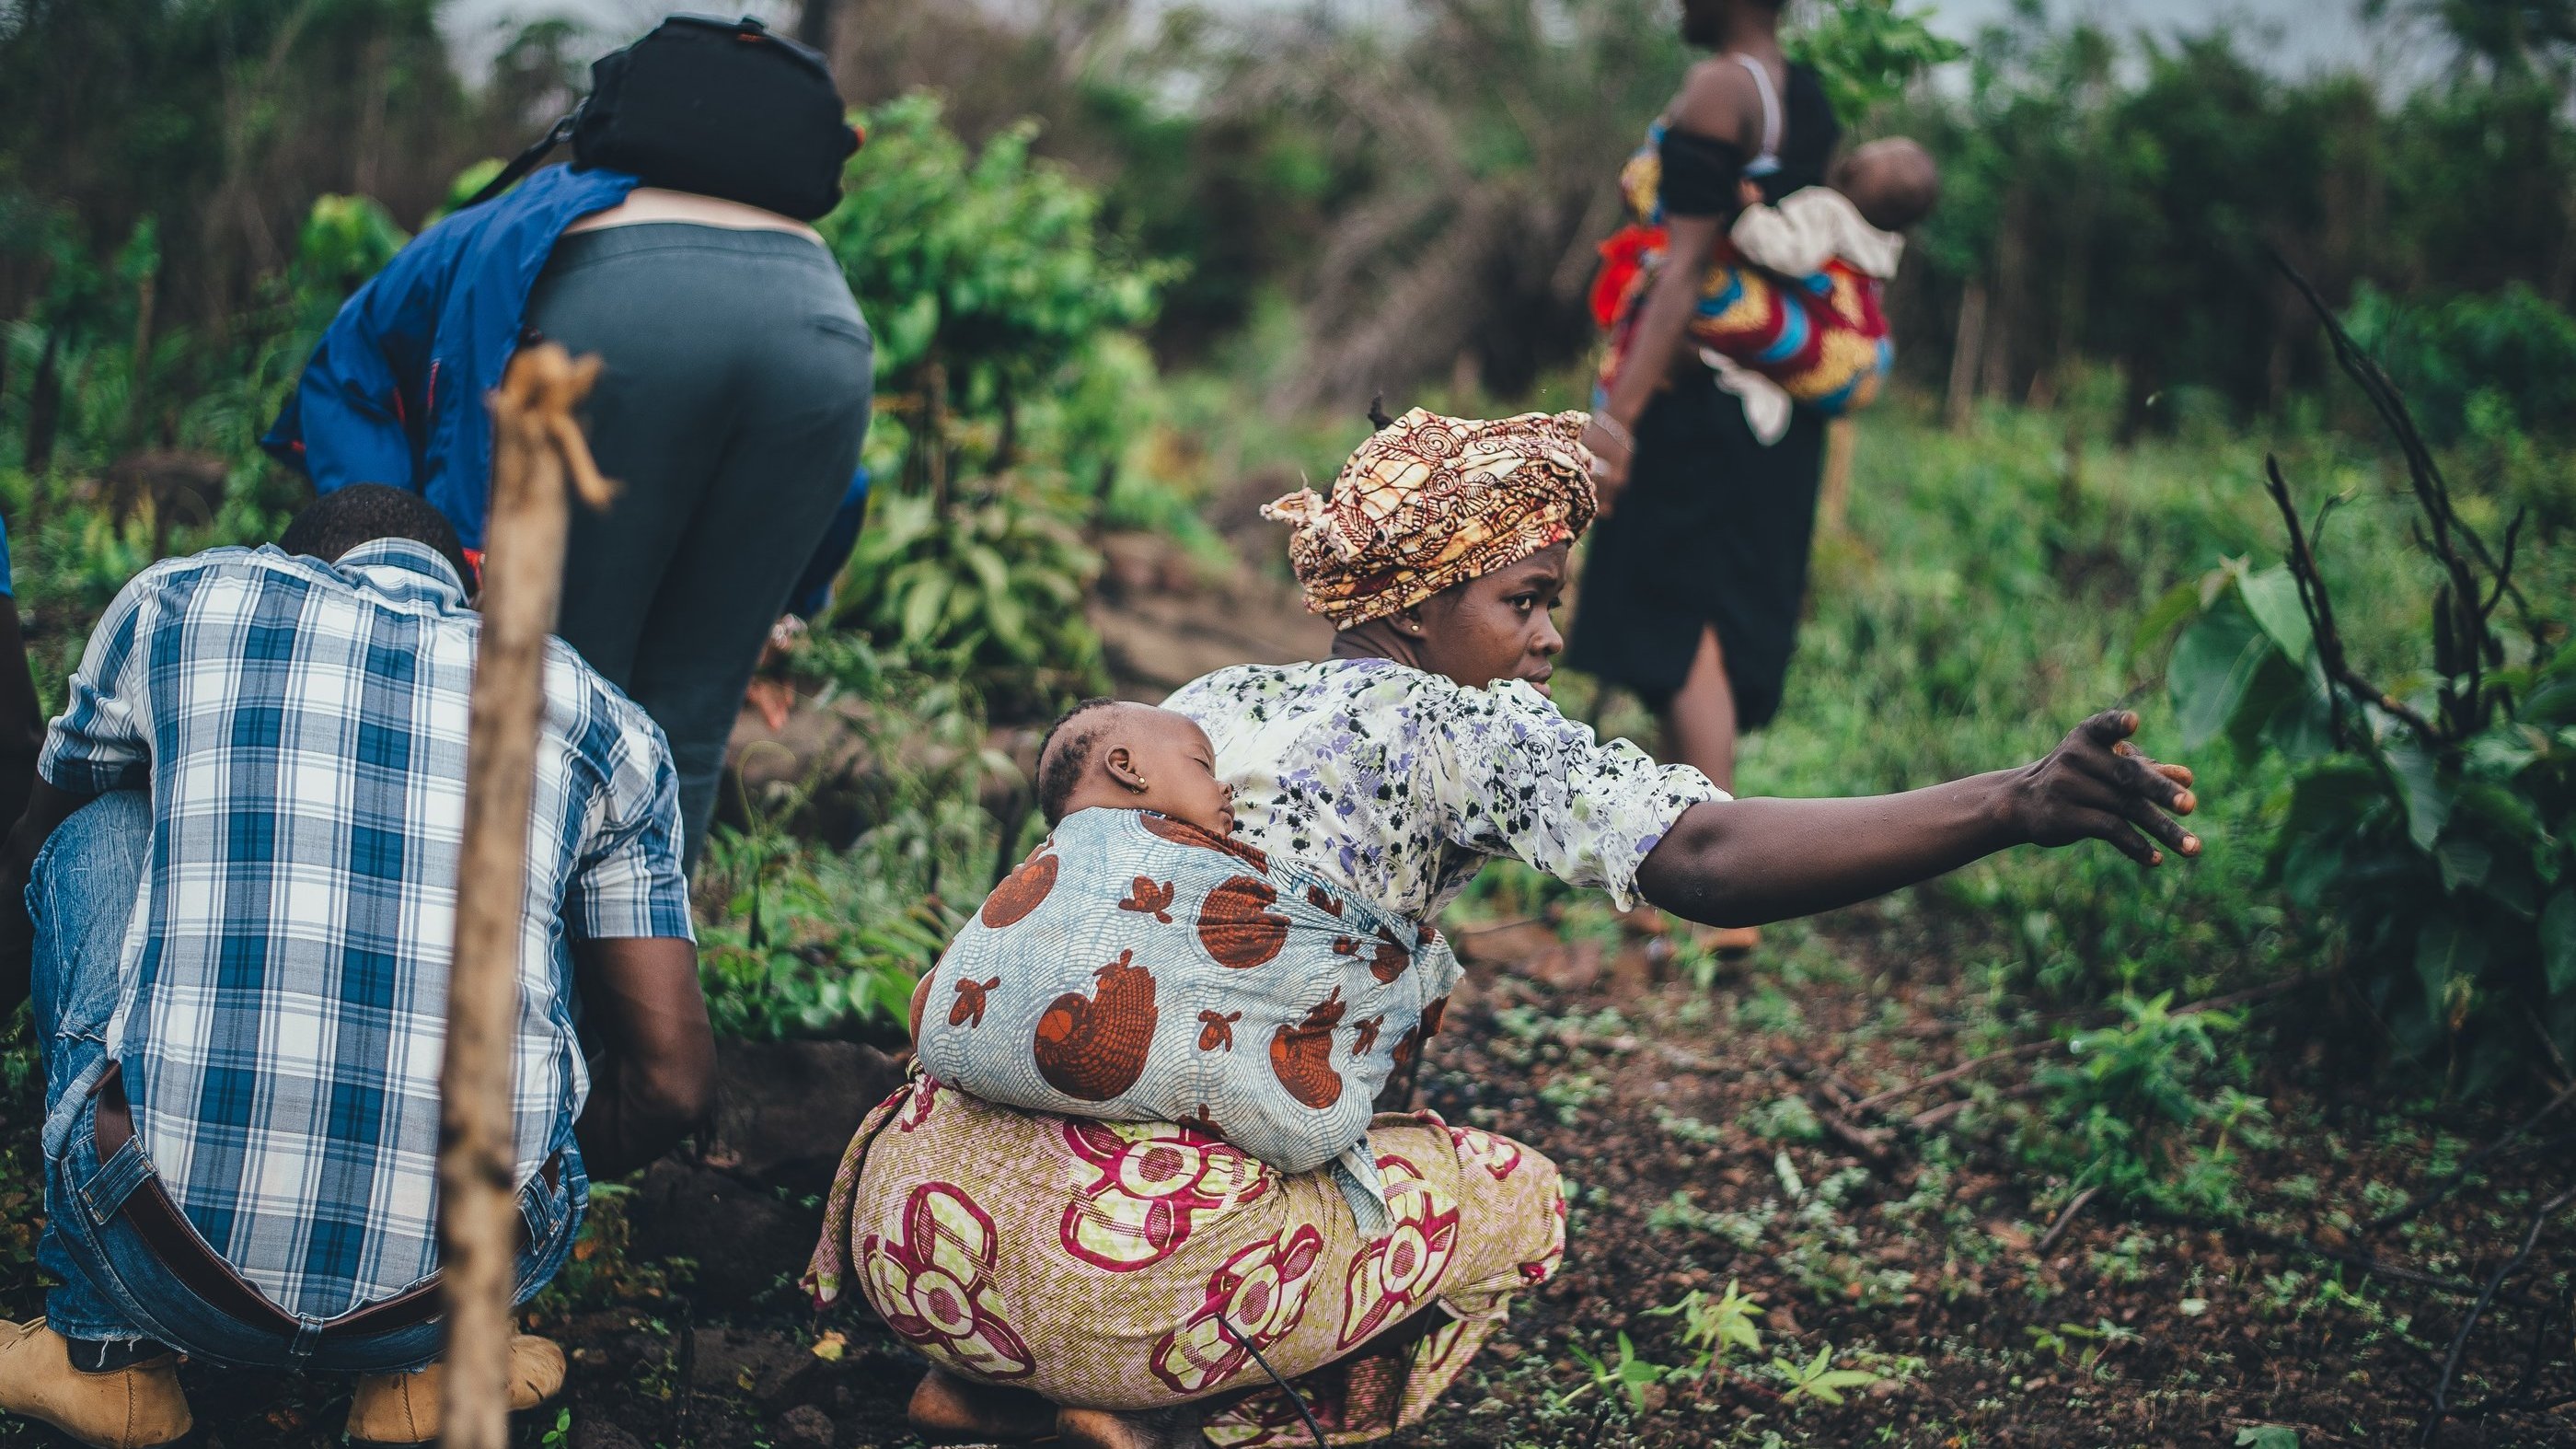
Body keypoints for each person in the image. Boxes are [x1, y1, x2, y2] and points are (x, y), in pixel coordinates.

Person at [809, 407, 2201, 1449]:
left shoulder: (1198, 705)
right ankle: (1186, 1416)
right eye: (1521, 599)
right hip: (1119, 1285)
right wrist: (2005, 801)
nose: (1543, 641)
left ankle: (985, 1385)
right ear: (1415, 604)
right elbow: (1704, 855)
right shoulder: (1467, 729)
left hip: (916, 1234)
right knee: (1515, 1197)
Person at [0, 486, 711, 1449]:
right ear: (470, 590)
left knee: (103, 826)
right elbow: (671, 1081)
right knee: (533, 903)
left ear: (294, 560)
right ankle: (423, 1366)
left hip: (152, 1250)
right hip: (451, 1287)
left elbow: (40, 844)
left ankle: (109, 1352)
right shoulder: (600, 720)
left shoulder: (182, 605)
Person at [263, 23, 875, 864]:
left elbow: (341, 377)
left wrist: (409, 561)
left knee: (551, 697)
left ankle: (510, 977)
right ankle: (646, 984)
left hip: (620, 316)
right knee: (685, 729)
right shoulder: (794, 248)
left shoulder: (506, 219)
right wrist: (787, 598)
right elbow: (835, 489)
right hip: (825, 335)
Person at [1570, 0, 1845, 957]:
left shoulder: (1722, 87)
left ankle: (1720, 885)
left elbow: (1683, 268)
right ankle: (1675, 882)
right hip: (1775, 417)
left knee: (1684, 625)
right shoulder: (1804, 95)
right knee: (1706, 625)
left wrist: (1621, 419)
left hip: (1698, 411)